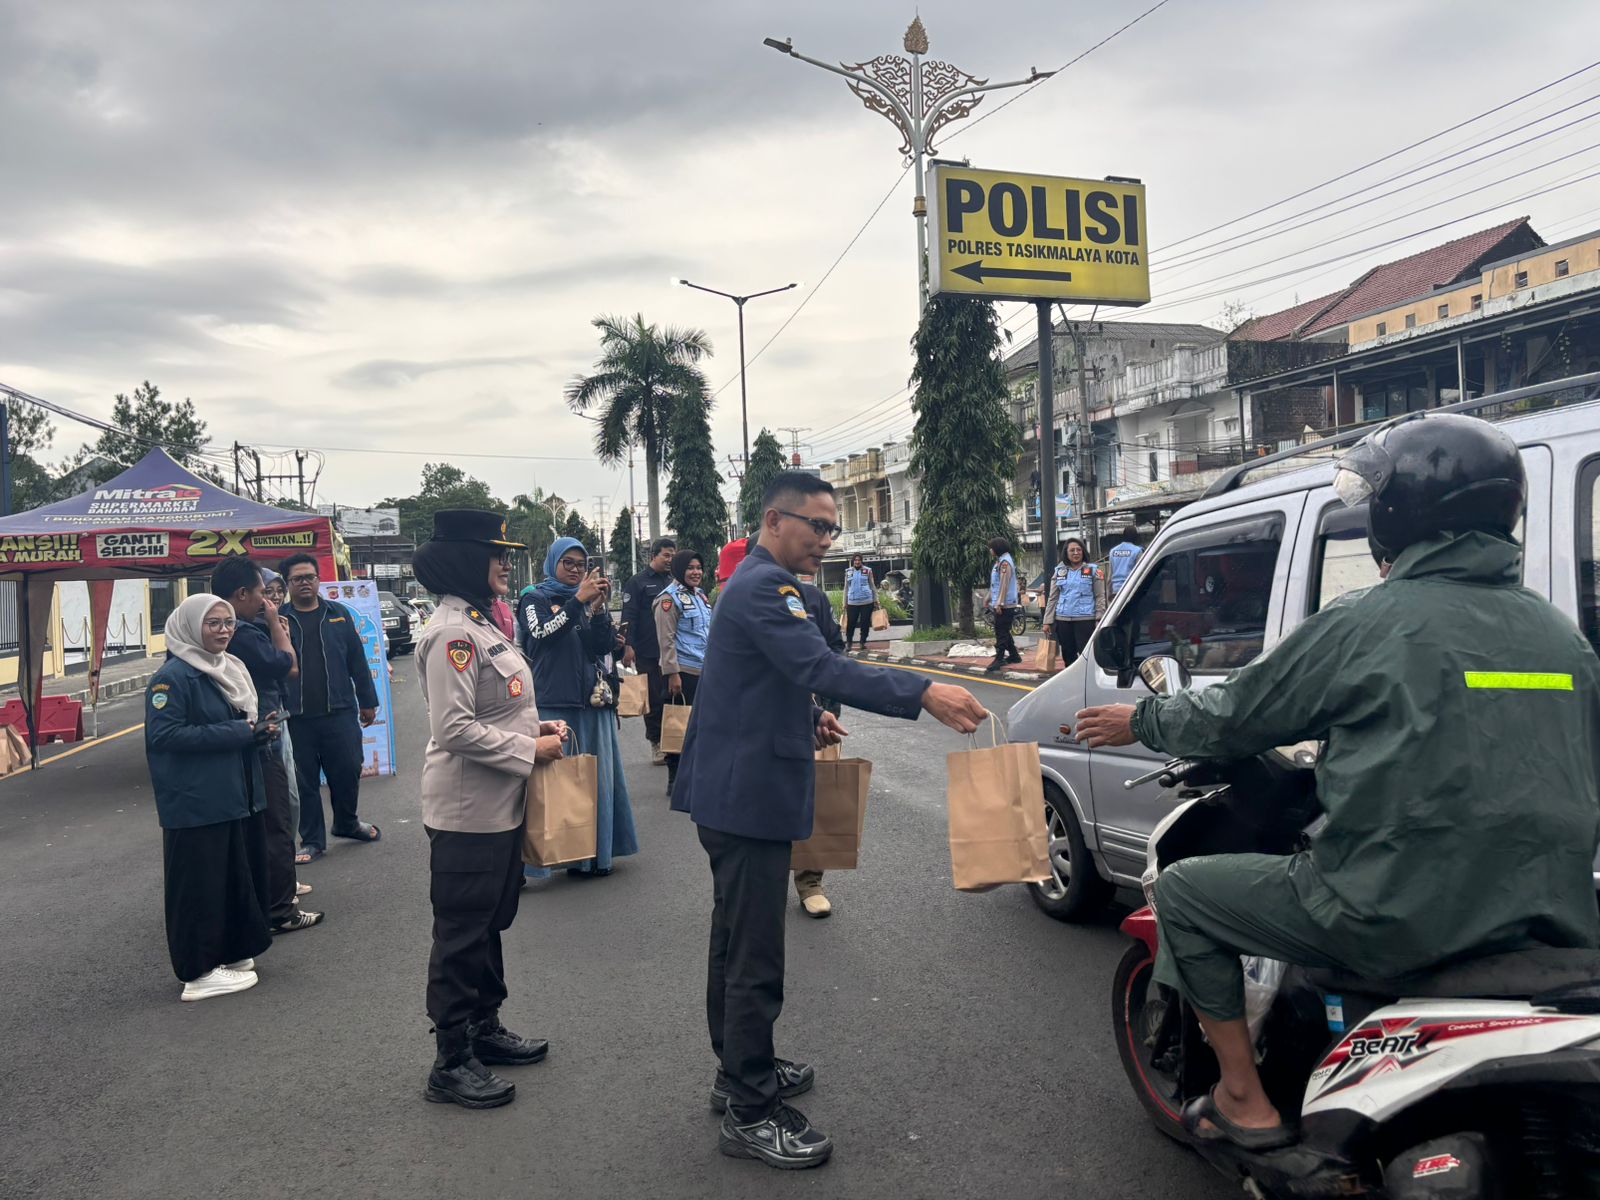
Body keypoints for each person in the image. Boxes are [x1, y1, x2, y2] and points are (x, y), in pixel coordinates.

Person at [1073, 413, 1600, 1151]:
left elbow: (1234, 714)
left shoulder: (1370, 623)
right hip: (1555, 913)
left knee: (1189, 893)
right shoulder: (1562, 638)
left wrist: (1143, 722)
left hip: (1393, 912)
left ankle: (1243, 1100)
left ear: (1396, 515)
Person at [672, 470, 988, 1169]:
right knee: (754, 957)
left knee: (734, 943)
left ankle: (738, 1072)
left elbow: (766, 680)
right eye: (817, 525)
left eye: (832, 527)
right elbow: (818, 661)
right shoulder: (762, 587)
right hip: (746, 799)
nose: (827, 539)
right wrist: (924, 689)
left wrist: (808, 714)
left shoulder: (758, 584)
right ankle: (752, 1113)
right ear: (774, 521)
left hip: (736, 791)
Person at [413, 510, 567, 1109]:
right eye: (496, 553)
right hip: (467, 810)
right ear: (464, 561)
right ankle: (449, 1060)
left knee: (490, 924)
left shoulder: (483, 623)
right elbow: (453, 729)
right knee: (461, 932)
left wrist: (538, 724)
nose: (506, 562)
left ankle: (485, 1028)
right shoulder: (453, 633)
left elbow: (495, 707)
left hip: (500, 805)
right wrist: (530, 747)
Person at [145, 594, 279, 1002]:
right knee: (198, 888)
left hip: (229, 796)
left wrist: (257, 732)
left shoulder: (227, 669)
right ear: (189, 626)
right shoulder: (173, 678)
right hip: (195, 801)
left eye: (228, 623)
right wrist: (241, 733)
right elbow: (164, 735)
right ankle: (198, 972)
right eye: (213, 623)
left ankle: (230, 952)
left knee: (231, 878)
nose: (223, 631)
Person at [211, 557, 323, 935]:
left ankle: (273, 893)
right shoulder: (245, 632)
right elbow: (288, 666)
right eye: (263, 592)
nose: (267, 599)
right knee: (277, 815)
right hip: (263, 729)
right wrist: (277, 625)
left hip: (251, 730)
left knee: (275, 812)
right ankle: (280, 905)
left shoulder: (229, 635)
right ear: (242, 594)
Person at [518, 537, 639, 877]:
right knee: (556, 785)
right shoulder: (534, 597)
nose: (574, 570)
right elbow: (541, 634)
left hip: (593, 701)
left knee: (596, 781)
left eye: (580, 565)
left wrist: (599, 610)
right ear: (552, 562)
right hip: (555, 703)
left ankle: (595, 856)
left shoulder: (587, 600)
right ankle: (558, 855)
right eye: (567, 563)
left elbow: (600, 647)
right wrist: (577, 602)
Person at [279, 553, 382, 862]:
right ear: (288, 584)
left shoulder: (337, 614)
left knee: (349, 769)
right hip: (296, 716)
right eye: (298, 579)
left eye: (310, 577)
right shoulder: (280, 620)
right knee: (304, 780)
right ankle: (311, 840)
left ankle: (347, 823)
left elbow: (356, 659)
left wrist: (368, 700)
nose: (305, 583)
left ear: (318, 580)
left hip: (339, 710)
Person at [794, 570, 844, 919]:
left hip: (816, 713)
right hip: (763, 722)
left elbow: (835, 648)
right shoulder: (744, 601)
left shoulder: (814, 599)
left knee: (816, 796)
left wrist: (825, 701)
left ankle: (810, 881)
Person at [656, 548, 713, 797]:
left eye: (698, 568)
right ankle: (675, 777)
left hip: (705, 670)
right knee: (678, 724)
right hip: (682, 671)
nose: (696, 572)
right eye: (690, 568)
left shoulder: (700, 596)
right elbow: (666, 639)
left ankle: (698, 775)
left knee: (703, 726)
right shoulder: (668, 599)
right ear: (680, 570)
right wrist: (672, 673)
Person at [620, 537, 677, 765]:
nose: (670, 559)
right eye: (666, 555)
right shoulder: (638, 582)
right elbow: (628, 616)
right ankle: (656, 743)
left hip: (672, 651)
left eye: (673, 555)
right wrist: (627, 646)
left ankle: (673, 740)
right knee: (653, 698)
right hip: (647, 650)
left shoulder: (675, 581)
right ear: (653, 555)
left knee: (673, 696)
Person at [1042, 538, 1102, 668]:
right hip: (1063, 619)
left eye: (1079, 550)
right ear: (1066, 553)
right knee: (1068, 654)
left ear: (1083, 552)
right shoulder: (1059, 571)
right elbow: (1052, 598)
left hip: (1085, 619)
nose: (1076, 553)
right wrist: (1047, 621)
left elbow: (1100, 596)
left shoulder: (1093, 570)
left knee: (1087, 655)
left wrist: (1099, 618)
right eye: (1072, 550)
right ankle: (1073, 683)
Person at [984, 536, 1022, 672]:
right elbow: (995, 584)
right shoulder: (999, 562)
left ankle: (999, 659)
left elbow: (1004, 585)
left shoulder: (1005, 563)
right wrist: (988, 598)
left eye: (991, 548)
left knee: (1000, 631)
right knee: (1003, 630)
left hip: (1006, 604)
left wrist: (999, 603)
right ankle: (1014, 655)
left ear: (997, 548)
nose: (990, 550)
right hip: (1000, 602)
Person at [842, 554, 876, 653]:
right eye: (855, 560)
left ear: (861, 561)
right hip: (852, 602)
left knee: (865, 623)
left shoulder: (868, 570)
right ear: (853, 561)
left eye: (859, 560)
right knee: (851, 623)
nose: (857, 562)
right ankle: (849, 643)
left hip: (867, 601)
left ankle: (862, 642)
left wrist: (876, 600)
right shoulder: (848, 571)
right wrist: (844, 602)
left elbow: (872, 585)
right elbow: (846, 588)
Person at [1106, 524, 1144, 597]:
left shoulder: (1113, 551)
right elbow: (1139, 573)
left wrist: (1109, 595)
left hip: (1116, 590)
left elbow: (1109, 576)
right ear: (1136, 537)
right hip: (1130, 590)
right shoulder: (1137, 551)